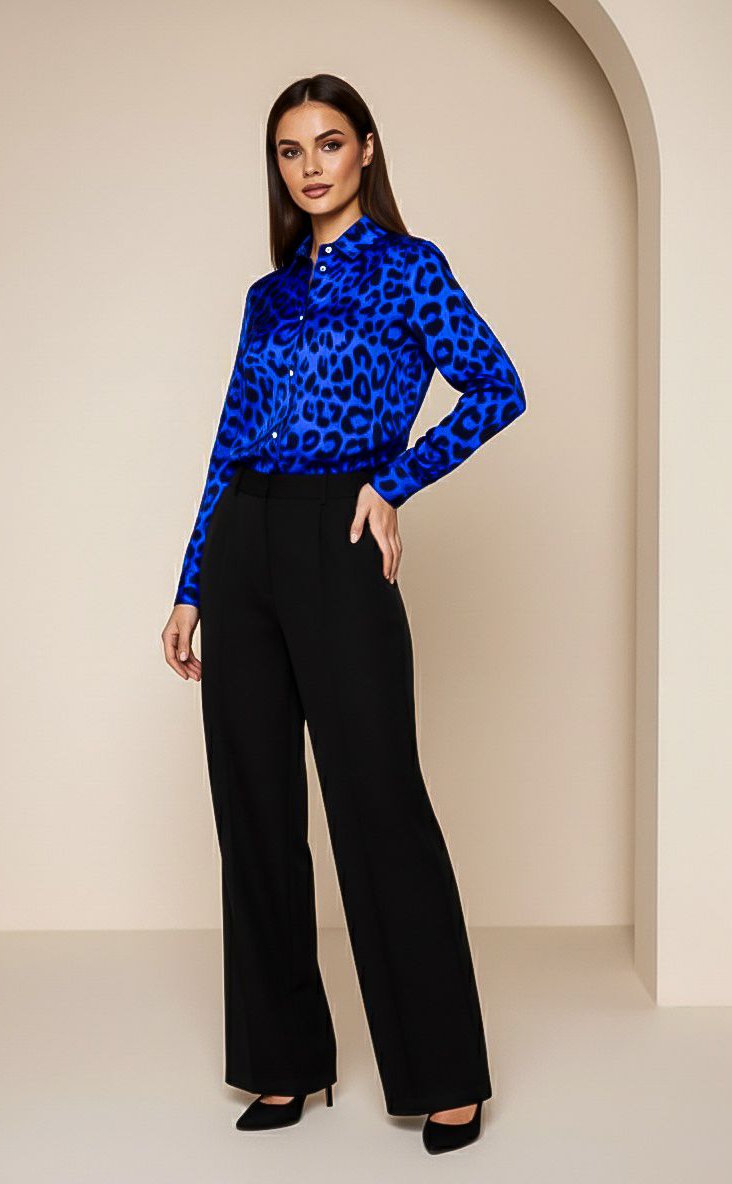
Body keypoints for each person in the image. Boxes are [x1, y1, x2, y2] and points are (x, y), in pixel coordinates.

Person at [161, 73, 526, 1155]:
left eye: (328, 142)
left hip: (339, 532)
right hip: (246, 540)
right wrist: (190, 582)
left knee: (377, 800)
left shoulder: (410, 268)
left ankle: (445, 1074)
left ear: (366, 148)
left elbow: (497, 387)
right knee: (254, 807)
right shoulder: (268, 296)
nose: (310, 165)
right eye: (290, 150)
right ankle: (284, 1062)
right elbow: (230, 439)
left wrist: (393, 483)